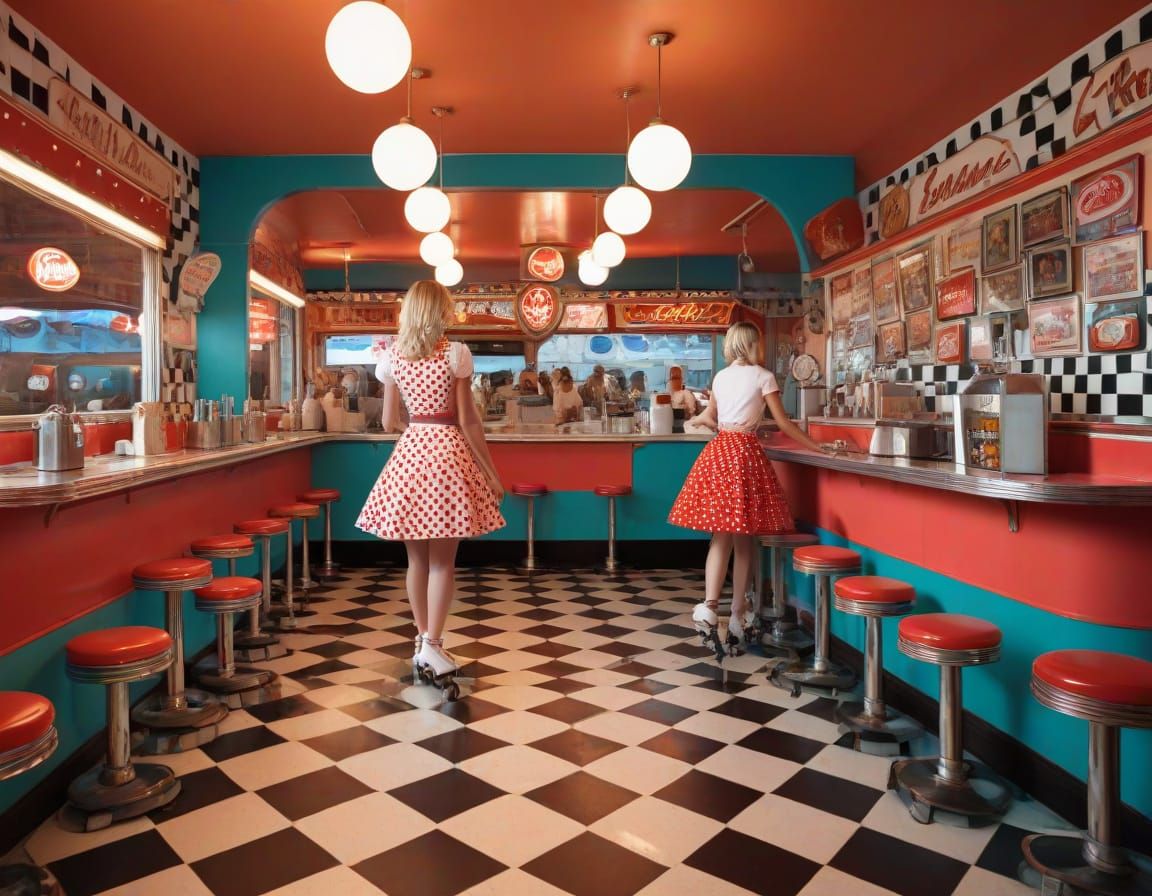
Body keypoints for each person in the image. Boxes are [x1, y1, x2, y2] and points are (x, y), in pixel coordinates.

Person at [356, 281, 506, 695]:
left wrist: (416, 429)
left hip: (410, 454)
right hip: (447, 458)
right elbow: (468, 420)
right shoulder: (455, 354)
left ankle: (423, 640)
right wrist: (491, 474)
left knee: (416, 561)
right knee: (443, 562)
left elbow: (388, 423)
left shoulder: (392, 359)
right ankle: (434, 645)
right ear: (440, 310)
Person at [669, 322, 830, 659]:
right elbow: (784, 423)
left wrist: (710, 422)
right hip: (744, 455)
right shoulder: (763, 376)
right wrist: (819, 448)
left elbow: (711, 417)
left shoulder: (720, 377)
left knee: (720, 537)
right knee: (745, 541)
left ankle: (710, 607)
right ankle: (739, 615)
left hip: (719, 451)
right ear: (753, 344)